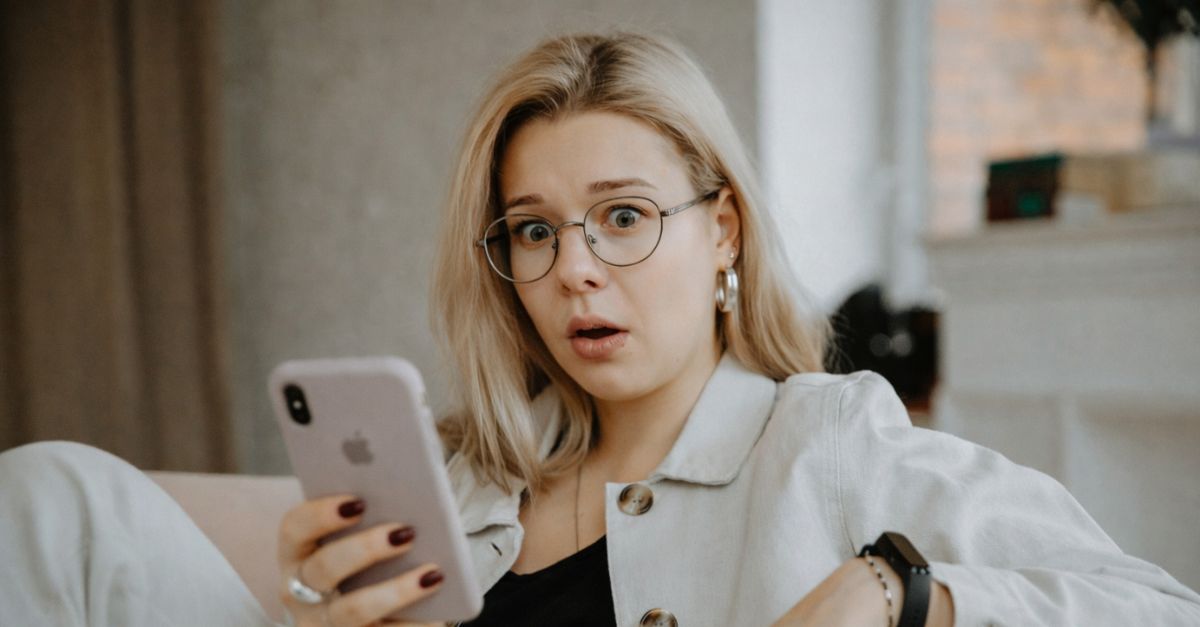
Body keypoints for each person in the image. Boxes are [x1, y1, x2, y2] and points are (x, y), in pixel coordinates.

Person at [2, 31, 1199, 627]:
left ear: (722, 230)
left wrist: (898, 590)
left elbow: (1155, 604)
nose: (574, 270)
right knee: (47, 496)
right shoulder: (471, 475)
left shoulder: (826, 438)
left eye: (622, 217)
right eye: (533, 231)